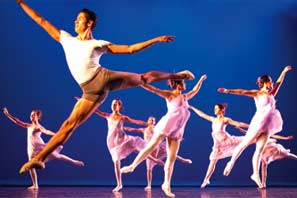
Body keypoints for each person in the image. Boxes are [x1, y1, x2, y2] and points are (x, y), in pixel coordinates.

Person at [16, 0, 195, 174]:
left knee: (143, 78)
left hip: (104, 78)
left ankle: (177, 75)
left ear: (89, 23)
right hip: (90, 91)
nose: (75, 21)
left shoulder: (97, 44)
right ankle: (38, 159)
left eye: (79, 19)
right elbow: (41, 20)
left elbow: (130, 49)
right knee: (69, 125)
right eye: (76, 19)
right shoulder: (66, 39)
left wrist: (156, 39)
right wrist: (21, 2)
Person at [121, 74, 207, 197]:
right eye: (183, 83)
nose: (185, 85)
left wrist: (201, 80)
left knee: (171, 158)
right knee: (151, 146)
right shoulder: (169, 95)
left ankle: (166, 184)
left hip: (177, 130)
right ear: (178, 84)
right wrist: (140, 82)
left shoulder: (185, 97)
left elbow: (195, 90)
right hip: (166, 125)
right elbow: (153, 90)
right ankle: (132, 166)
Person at [217, 65, 292, 188]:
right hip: (258, 123)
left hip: (268, 126)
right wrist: (228, 91)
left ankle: (255, 175)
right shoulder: (257, 93)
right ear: (266, 83)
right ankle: (231, 163)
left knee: (259, 150)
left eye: (272, 82)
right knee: (244, 144)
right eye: (270, 82)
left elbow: (279, 83)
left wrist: (283, 71)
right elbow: (242, 92)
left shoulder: (271, 94)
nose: (272, 84)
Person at [2, 107, 84, 190]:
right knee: (31, 166)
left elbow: (46, 131)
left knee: (56, 155)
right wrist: (8, 114)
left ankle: (74, 161)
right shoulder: (29, 125)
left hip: (40, 147)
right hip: (31, 149)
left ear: (38, 117)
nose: (32, 116)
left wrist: (55, 135)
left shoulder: (39, 127)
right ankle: (35, 185)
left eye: (33, 115)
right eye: (31, 115)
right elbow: (17, 121)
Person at [92, 99, 164, 192]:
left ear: (120, 107)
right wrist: (86, 103)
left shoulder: (122, 117)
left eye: (116, 105)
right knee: (116, 162)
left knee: (136, 147)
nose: (114, 106)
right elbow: (96, 110)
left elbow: (134, 121)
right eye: (113, 104)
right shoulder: (107, 116)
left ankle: (154, 159)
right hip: (111, 142)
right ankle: (119, 184)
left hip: (123, 139)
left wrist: (146, 123)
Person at [124, 116, 192, 191]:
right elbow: (132, 129)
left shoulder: (157, 129)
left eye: (153, 120)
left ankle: (182, 160)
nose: (152, 121)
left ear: (155, 122)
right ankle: (149, 185)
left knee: (169, 152)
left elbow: (167, 133)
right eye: (150, 120)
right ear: (148, 121)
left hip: (157, 148)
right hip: (149, 150)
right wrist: (121, 127)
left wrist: (177, 136)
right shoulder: (144, 130)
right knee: (149, 169)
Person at [189, 104, 249, 188]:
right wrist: (192, 107)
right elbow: (202, 114)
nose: (214, 110)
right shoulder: (213, 119)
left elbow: (238, 123)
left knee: (248, 139)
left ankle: (264, 138)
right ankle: (206, 180)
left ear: (222, 110)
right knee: (212, 161)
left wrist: (251, 126)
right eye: (214, 108)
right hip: (218, 144)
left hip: (227, 140)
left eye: (216, 108)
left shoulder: (225, 119)